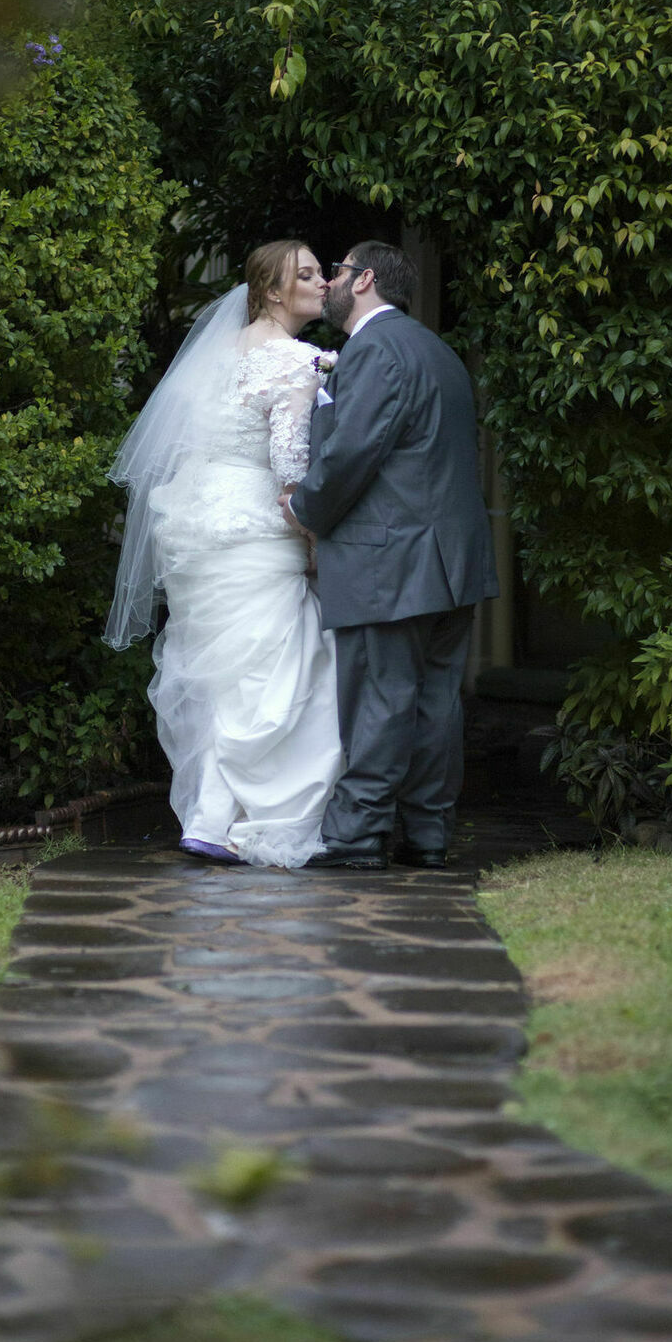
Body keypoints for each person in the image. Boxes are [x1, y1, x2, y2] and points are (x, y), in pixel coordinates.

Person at [104, 242, 342, 867]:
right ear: (271, 291)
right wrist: (315, 539)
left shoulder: (214, 359)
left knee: (221, 674)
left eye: (323, 272)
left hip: (195, 524)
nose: (324, 283)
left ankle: (209, 819)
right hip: (256, 526)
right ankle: (233, 818)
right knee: (275, 670)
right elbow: (291, 469)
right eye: (308, 275)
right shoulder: (298, 363)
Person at [282, 241, 498, 870]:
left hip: (391, 559)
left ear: (367, 279)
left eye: (340, 272)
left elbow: (352, 452)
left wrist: (302, 509)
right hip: (450, 561)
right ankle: (428, 835)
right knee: (434, 703)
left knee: (380, 696)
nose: (331, 284)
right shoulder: (436, 348)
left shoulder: (376, 348)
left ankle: (358, 836)